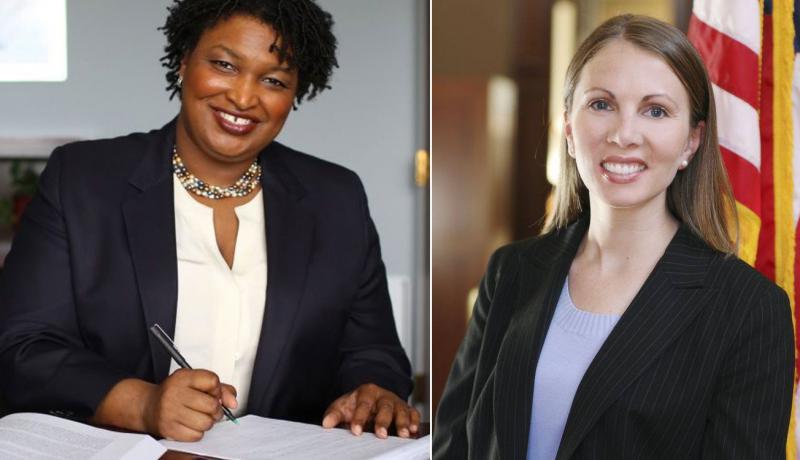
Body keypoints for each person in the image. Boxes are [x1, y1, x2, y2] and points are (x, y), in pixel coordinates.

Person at [0, 0, 420, 442]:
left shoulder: (336, 198)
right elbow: (20, 345)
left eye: (273, 80)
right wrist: (142, 404)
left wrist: (373, 392)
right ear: (184, 62)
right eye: (224, 64)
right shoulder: (84, 180)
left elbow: (374, 351)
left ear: (294, 95)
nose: (242, 97)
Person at [433, 14, 794, 459]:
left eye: (655, 111)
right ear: (568, 128)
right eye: (601, 104)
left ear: (691, 142)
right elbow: (453, 445)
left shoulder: (750, 308)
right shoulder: (509, 270)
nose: (624, 134)